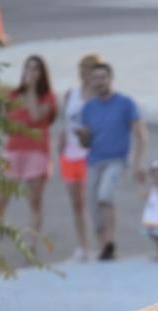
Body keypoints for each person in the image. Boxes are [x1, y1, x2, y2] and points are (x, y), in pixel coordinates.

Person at [77, 62, 149, 261]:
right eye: (95, 79)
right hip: (94, 161)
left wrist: (138, 161)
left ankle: (110, 240)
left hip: (116, 159)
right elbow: (86, 142)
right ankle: (104, 247)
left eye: (103, 78)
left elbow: (140, 133)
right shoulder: (88, 108)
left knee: (105, 195)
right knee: (93, 204)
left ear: (110, 79)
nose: (99, 82)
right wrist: (81, 136)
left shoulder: (125, 103)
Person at [0, 55, 58, 256]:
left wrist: (31, 91)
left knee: (34, 200)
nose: (32, 73)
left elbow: (37, 115)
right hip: (14, 150)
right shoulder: (13, 95)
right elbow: (5, 121)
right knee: (1, 198)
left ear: (42, 73)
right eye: (29, 69)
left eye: (36, 69)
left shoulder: (48, 97)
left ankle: (32, 245)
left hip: (36, 151)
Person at [58, 53, 102, 262]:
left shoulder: (98, 98)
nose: (84, 74)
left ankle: (100, 244)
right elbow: (65, 124)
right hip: (69, 154)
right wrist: (60, 146)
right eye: (82, 69)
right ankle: (82, 246)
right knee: (76, 203)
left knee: (92, 201)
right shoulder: (71, 94)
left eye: (89, 70)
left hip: (89, 155)